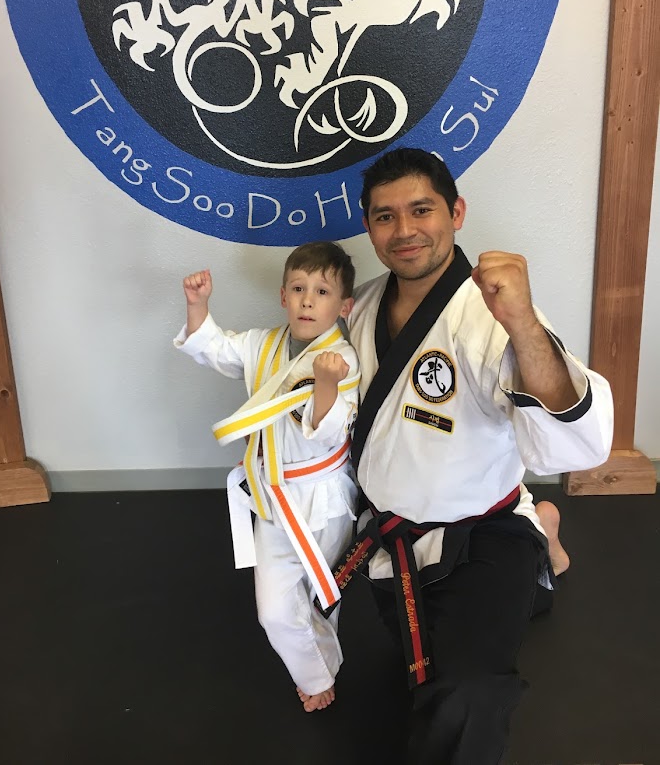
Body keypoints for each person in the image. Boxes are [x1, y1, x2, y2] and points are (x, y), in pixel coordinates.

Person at [332, 147, 613, 763]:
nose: (404, 230)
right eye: (384, 216)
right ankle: (546, 544)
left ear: (456, 213)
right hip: (396, 535)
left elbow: (573, 441)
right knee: (423, 658)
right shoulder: (364, 306)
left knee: (465, 691)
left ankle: (532, 534)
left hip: (481, 530)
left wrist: (522, 322)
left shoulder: (493, 314)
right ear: (368, 226)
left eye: (421, 210)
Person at [173, 241, 360, 713]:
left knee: (322, 594)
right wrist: (198, 306)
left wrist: (326, 383)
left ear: (344, 306)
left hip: (324, 497)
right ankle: (317, 673)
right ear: (282, 296)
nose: (308, 301)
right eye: (298, 288)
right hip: (274, 498)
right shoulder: (263, 345)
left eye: (322, 292)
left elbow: (329, 430)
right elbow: (217, 349)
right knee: (276, 609)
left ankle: (319, 668)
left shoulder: (342, 360)